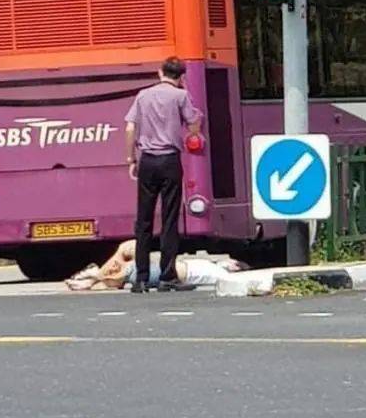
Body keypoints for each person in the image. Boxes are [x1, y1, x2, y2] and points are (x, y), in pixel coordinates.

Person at [125, 57, 202, 293]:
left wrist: (131, 159)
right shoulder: (180, 96)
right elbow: (194, 126)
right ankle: (167, 275)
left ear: (160, 72)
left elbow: (130, 127)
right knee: (169, 219)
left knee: (144, 220)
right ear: (180, 76)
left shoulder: (143, 95)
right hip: (169, 160)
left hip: (147, 160)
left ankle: (141, 278)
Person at [65, 240, 247, 292]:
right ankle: (93, 278)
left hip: (172, 271)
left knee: (124, 265)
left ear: (235, 267)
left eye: (234, 263)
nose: (231, 261)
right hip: (168, 268)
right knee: (126, 253)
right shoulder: (214, 266)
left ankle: (93, 276)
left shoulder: (222, 274)